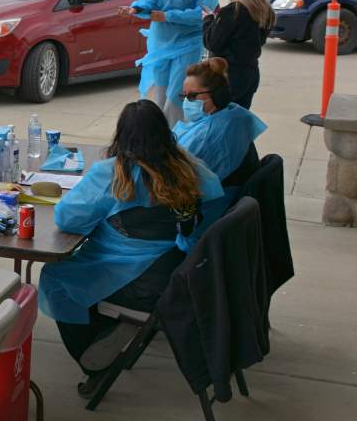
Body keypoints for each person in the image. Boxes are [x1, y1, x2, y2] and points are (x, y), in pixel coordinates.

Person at [39, 100, 224, 387]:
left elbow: (67, 218)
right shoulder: (189, 166)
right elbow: (213, 200)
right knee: (77, 273)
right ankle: (109, 328)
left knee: (56, 279)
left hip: (133, 281)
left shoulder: (113, 172)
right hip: (177, 273)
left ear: (121, 135)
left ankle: (93, 359)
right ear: (164, 132)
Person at [118, 0, 217, 124]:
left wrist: (168, 16)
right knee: (160, 95)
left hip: (187, 45)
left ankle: (175, 140)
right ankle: (160, 136)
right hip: (160, 44)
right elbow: (148, 0)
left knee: (176, 96)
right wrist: (135, 9)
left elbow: (203, 12)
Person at [174, 57, 267, 216]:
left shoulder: (213, 133)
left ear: (217, 94)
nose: (187, 102)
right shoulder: (233, 113)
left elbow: (182, 181)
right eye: (184, 96)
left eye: (193, 96)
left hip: (211, 211)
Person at [201, 0, 274, 108]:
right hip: (250, 73)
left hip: (228, 76)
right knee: (239, 121)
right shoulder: (264, 10)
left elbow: (212, 42)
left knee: (222, 123)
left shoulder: (233, 12)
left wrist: (208, 20)